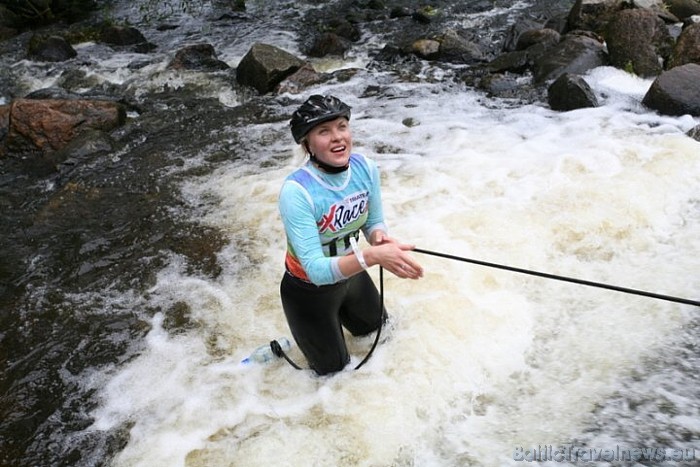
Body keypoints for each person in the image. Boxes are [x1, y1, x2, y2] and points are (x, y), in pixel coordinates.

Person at [278, 94, 423, 375]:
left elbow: (374, 222)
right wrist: (373, 255)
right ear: (307, 143)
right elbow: (317, 271)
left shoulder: (365, 169)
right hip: (309, 293)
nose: (337, 137)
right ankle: (282, 353)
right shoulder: (296, 192)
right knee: (335, 378)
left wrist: (380, 239)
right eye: (324, 131)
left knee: (382, 337)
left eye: (342, 126)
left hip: (352, 275)